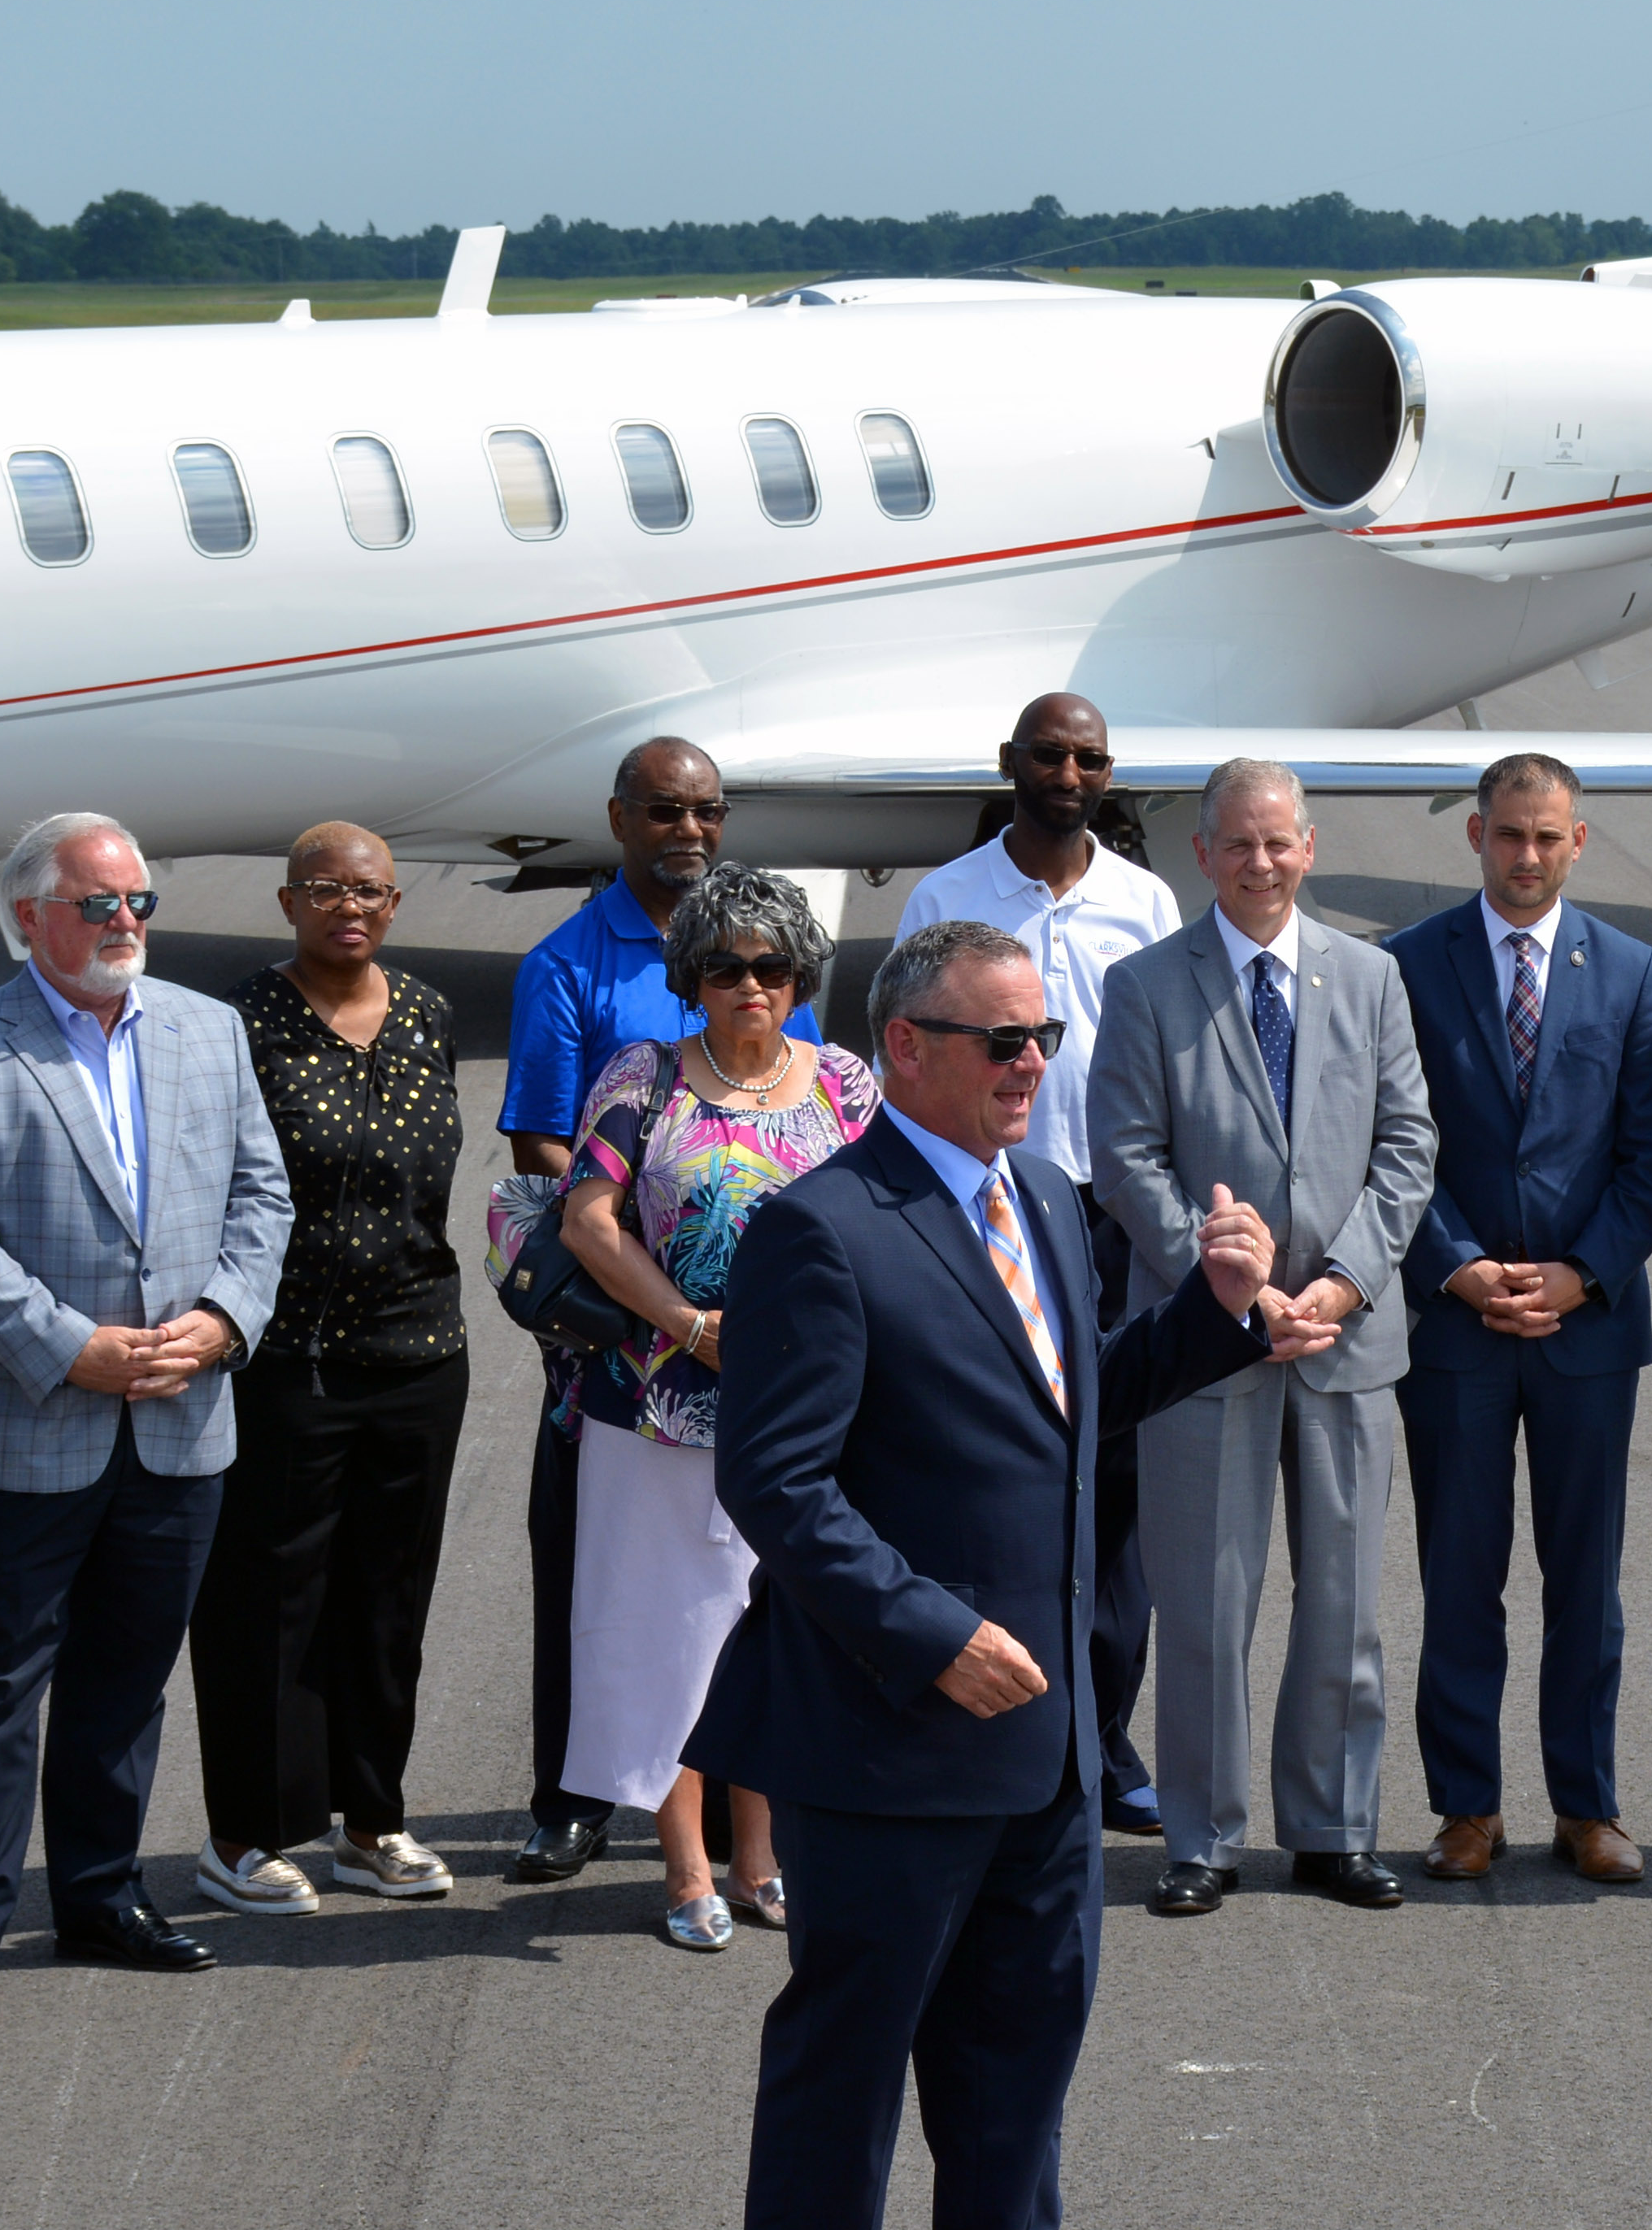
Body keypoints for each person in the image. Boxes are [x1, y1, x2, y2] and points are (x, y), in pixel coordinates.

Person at [689, 919, 1289, 2230]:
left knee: (1017, 2087)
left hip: (1047, 1756)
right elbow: (777, 1484)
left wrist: (1211, 1316)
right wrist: (932, 1633)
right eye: (1004, 1040)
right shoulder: (822, 1230)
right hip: (885, 1750)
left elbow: (1070, 1409)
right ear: (905, 1048)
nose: (1032, 1064)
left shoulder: (1047, 1200)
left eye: (1044, 1039)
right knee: (845, 2082)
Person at [0, 811, 291, 2026]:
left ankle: (100, 1896)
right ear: (29, 918)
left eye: (139, 902)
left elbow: (262, 1195)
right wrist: (76, 1350)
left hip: (181, 1413)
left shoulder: (208, 1028)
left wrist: (222, 1322)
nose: (127, 922)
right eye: (100, 903)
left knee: (128, 1674)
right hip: (28, 1418)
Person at [1091, 758, 1438, 1916]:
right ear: (1201, 853)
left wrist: (1342, 1285)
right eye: (1237, 843)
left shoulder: (1371, 978)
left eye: (1279, 840)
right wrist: (1229, 1291)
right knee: (1205, 1604)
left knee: (1346, 1606)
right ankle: (1203, 1837)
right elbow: (1125, 1155)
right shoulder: (1147, 984)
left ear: (1310, 845)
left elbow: (1408, 1148)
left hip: (1345, 1343)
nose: (1260, 862)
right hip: (1205, 1344)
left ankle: (1335, 1828)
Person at [498, 737, 823, 1886]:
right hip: (635, 1341)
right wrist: (672, 1287)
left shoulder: (808, 1028)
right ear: (619, 818)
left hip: (778, 1368)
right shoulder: (568, 963)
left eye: (707, 810)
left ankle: (751, 1830)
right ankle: (577, 1798)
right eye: (664, 811)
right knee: (612, 1586)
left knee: (762, 1598)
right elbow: (547, 1152)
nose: (689, 829)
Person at [556, 862, 880, 1946]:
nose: (751, 985)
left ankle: (761, 1856)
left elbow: (891, 1220)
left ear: (800, 978)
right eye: (728, 967)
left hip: (813, 1408)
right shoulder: (643, 1075)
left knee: (790, 1630)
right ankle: (686, 1865)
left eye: (773, 967)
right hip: (661, 1403)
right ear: (693, 976)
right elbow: (588, 1222)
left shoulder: (845, 1084)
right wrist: (689, 1325)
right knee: (671, 1637)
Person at [1382, 752, 1652, 1885]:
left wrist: (1582, 1275)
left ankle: (1587, 1804)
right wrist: (1458, 1267)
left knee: (1586, 1584)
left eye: (1548, 837)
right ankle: (1467, 1807)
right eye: (1509, 834)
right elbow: (1392, 1138)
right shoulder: (1408, 963)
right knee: (1460, 1575)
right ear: (1476, 834)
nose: (1527, 855)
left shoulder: (1632, 971)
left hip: (1585, 1331)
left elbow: (1649, 1157)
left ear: (1578, 842)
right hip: (1454, 1326)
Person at [895, 692, 1182, 1835]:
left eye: (1090, 758)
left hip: (1110, 1223)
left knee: (1115, 1493)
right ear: (1009, 762)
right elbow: (906, 1063)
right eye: (1050, 754)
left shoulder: (1145, 900)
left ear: (1109, 775)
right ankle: (992, 1713)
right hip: (985, 1214)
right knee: (985, 1473)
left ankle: (1102, 1737)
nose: (1069, 773)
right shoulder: (946, 897)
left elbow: (1170, 1064)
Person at [189, 823, 469, 1918]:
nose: (348, 907)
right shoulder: (240, 1023)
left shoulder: (428, 1011)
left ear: (394, 904)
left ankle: (372, 1824)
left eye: (369, 891)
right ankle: (246, 1835)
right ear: (287, 902)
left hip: (420, 1354)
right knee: (268, 1602)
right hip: (288, 1360)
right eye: (324, 888)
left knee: (389, 1603)